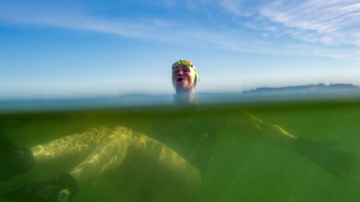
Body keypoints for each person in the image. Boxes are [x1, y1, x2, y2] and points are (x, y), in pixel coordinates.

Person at [0, 60, 355, 202]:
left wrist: (304, 146)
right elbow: (90, 125)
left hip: (186, 179)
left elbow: (261, 127)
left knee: (121, 134)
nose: (180, 71)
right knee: (105, 130)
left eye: (186, 69)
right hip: (146, 182)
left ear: (196, 78)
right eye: (175, 69)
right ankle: (20, 160)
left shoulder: (216, 110)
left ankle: (60, 189)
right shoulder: (152, 108)